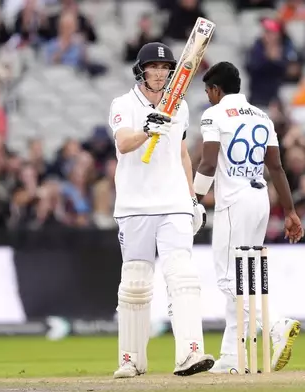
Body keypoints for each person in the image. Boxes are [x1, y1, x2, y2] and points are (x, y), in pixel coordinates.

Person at [107, 42, 213, 379]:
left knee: (182, 275)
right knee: (136, 283)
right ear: (141, 70)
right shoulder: (123, 104)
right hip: (135, 204)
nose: (160, 73)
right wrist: (146, 130)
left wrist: (192, 197)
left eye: (165, 68)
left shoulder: (177, 105)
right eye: (153, 67)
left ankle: (190, 353)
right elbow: (123, 143)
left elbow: (181, 153)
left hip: (173, 204)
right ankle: (131, 359)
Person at [192, 62, 305, 374]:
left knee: (229, 279)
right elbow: (277, 168)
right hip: (261, 200)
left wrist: (193, 200)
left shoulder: (213, 115)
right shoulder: (262, 116)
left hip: (233, 202)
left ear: (215, 89)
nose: (208, 97)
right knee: (245, 280)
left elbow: (208, 163)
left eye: (208, 91)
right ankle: (232, 356)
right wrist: (291, 212)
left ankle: (275, 325)